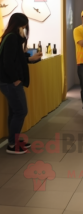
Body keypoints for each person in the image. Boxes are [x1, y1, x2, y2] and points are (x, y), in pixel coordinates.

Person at [0, 13, 43, 154]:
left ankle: (14, 140)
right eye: (23, 25)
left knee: (14, 111)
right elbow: (8, 62)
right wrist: (15, 79)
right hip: (9, 82)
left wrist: (31, 58)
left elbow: (16, 59)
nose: (24, 28)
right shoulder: (12, 38)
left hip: (7, 81)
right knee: (21, 111)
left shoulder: (11, 37)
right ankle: (12, 144)